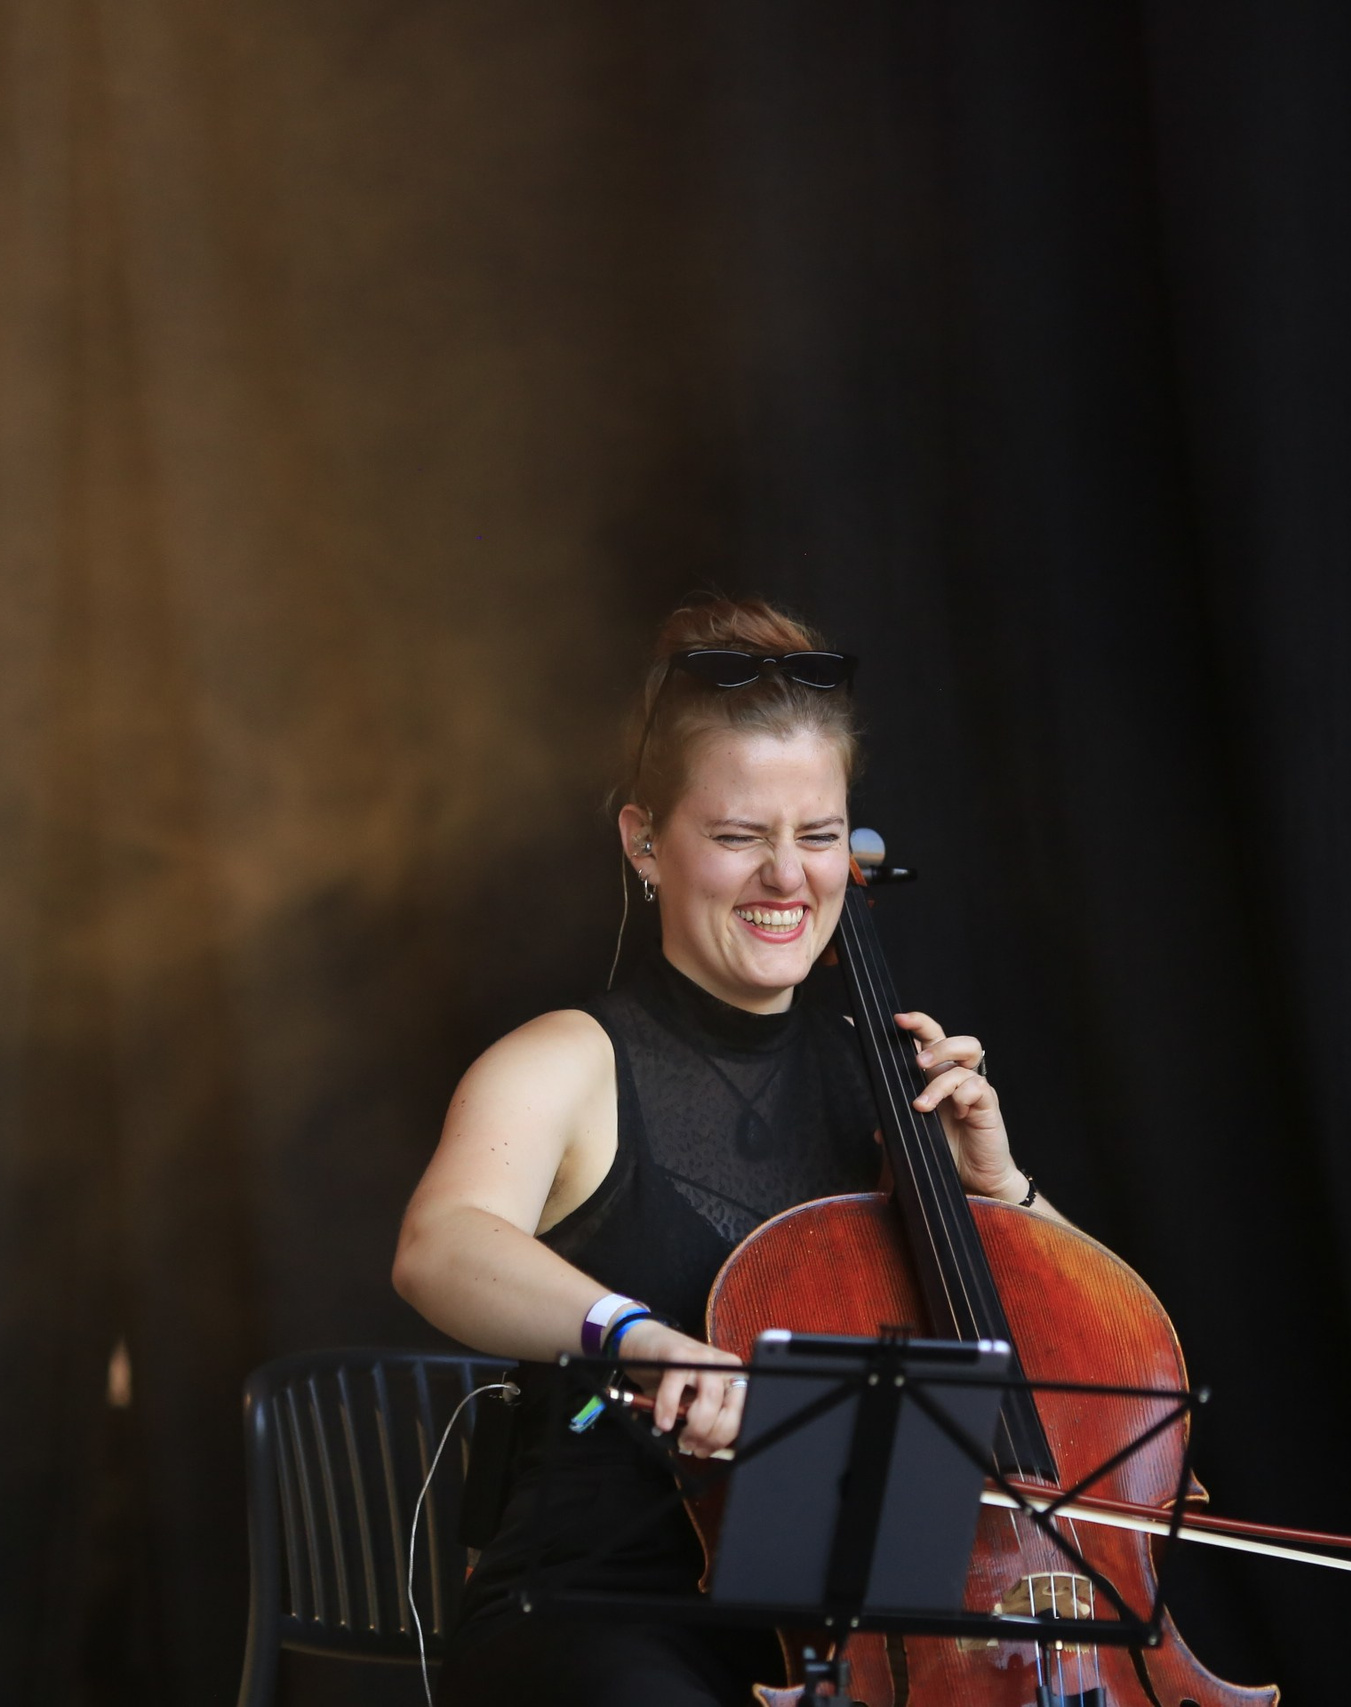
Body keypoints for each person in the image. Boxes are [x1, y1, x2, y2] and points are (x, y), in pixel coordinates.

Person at [392, 597, 1066, 1705]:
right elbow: (440, 1245)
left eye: (818, 837)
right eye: (739, 836)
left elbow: (1089, 1356)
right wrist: (641, 1339)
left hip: (861, 1625)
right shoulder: (566, 1060)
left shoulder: (894, 1080)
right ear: (644, 842)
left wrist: (998, 1187)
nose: (787, 879)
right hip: (606, 1608)